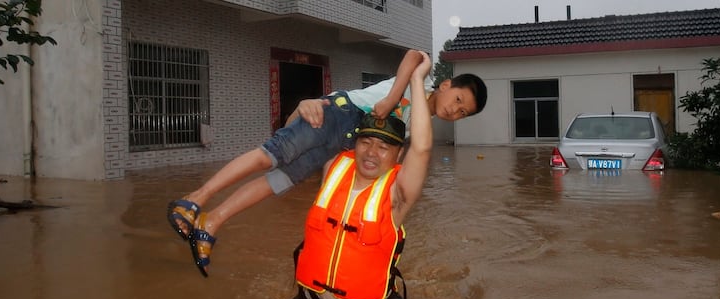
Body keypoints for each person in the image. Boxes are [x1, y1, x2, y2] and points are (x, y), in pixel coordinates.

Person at [167, 49, 487, 277]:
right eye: (458, 100)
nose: (454, 111)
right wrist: (392, 97)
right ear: (446, 84)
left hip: (343, 142)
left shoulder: (419, 123)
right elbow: (415, 56)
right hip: (336, 114)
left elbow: (402, 158)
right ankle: (195, 199)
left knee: (277, 183)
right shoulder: (418, 83)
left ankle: (211, 222)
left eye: (462, 113)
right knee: (269, 155)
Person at [288, 51, 433, 299]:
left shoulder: (397, 192)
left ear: (398, 154)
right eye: (365, 142)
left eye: (383, 147)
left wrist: (417, 81)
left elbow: (421, 148)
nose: (371, 152)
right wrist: (302, 108)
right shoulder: (334, 165)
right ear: (354, 144)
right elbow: (289, 142)